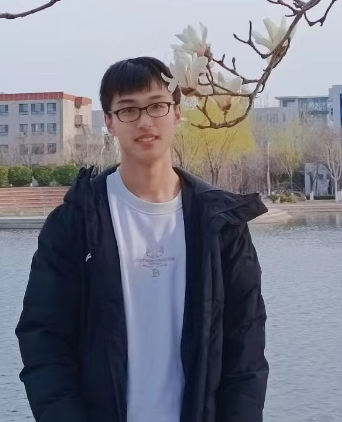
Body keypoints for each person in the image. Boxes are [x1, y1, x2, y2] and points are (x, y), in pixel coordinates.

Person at [15, 56, 268, 422]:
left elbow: (246, 345)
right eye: (128, 110)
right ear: (109, 122)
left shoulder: (220, 224)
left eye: (157, 106)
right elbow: (44, 339)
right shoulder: (76, 222)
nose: (145, 121)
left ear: (177, 113)